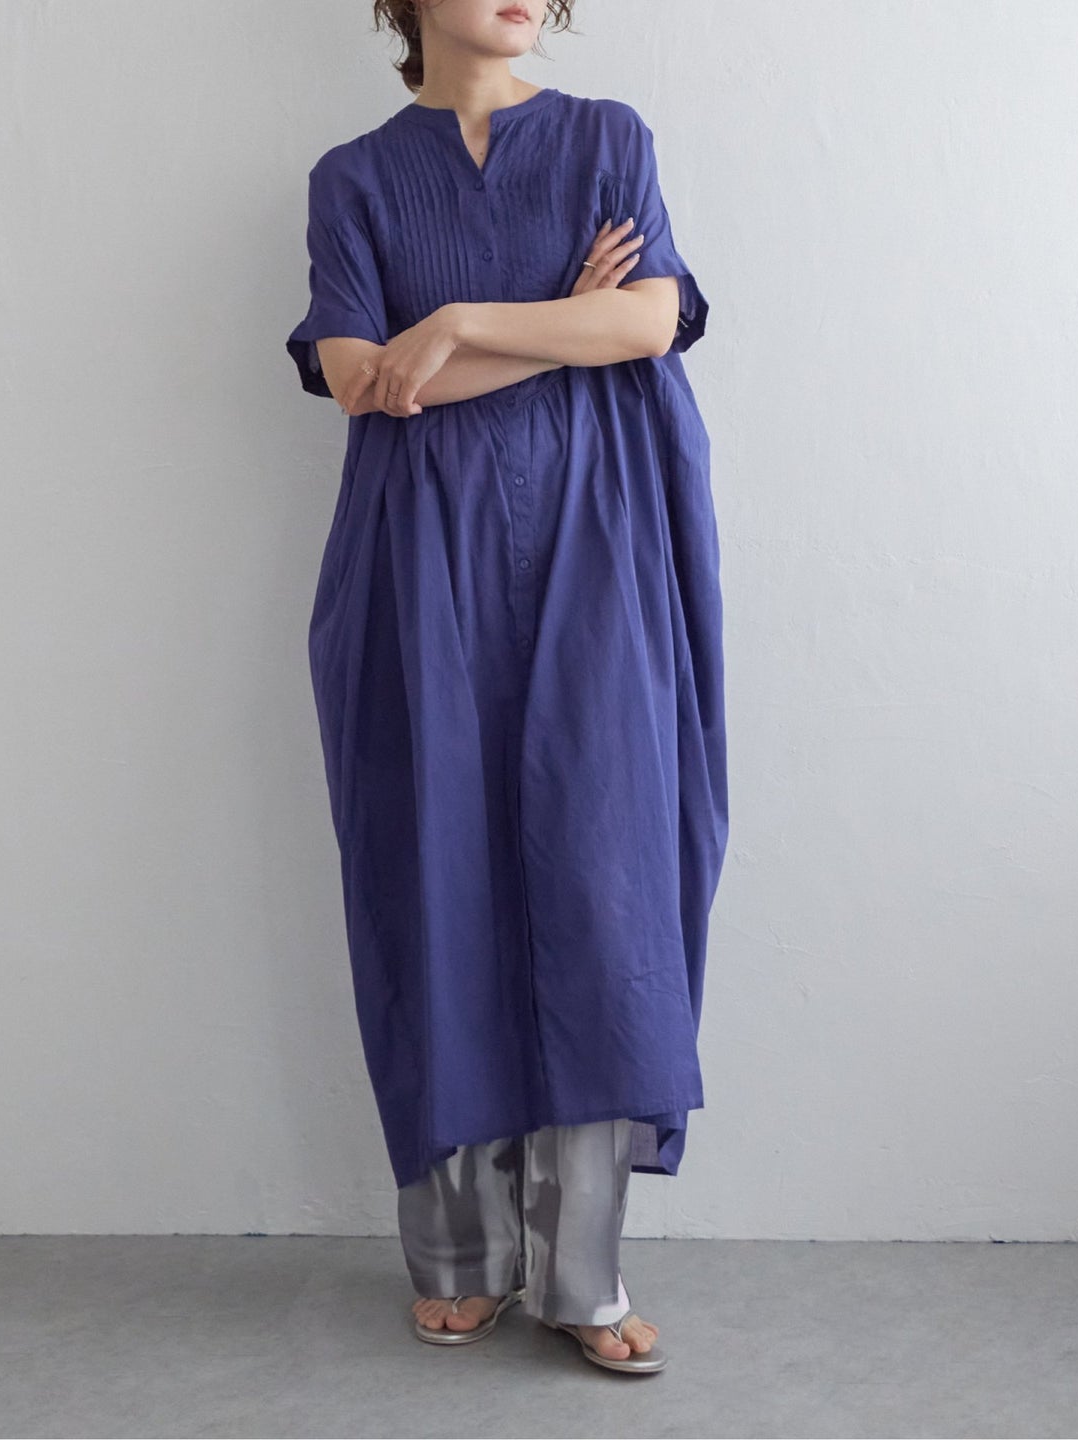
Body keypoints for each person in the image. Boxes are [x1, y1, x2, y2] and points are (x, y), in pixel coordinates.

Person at [285, 0, 729, 1376]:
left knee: (606, 873)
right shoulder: (355, 179)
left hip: (602, 538)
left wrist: (461, 323)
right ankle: (459, 1258)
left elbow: (651, 320)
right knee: (435, 870)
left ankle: (583, 1277)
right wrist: (559, 322)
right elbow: (360, 378)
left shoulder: (606, 140)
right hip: (418, 555)